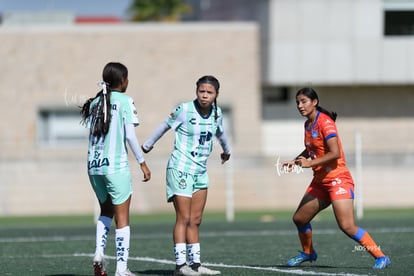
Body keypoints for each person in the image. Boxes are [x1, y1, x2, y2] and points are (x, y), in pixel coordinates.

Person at [282, 87, 390, 269]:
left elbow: (335, 153)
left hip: (338, 179)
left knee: (347, 225)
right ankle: (308, 252)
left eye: (303, 101)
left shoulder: (326, 123)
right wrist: (295, 160)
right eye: (297, 103)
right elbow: (311, 150)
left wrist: (310, 164)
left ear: (314, 102)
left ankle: (381, 257)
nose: (300, 106)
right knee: (299, 219)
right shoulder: (308, 124)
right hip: (320, 182)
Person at [142, 75, 231, 276]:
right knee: (183, 217)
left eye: (209, 92)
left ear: (216, 94)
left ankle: (196, 265)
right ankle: (180, 266)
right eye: (201, 91)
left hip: (200, 172)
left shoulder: (217, 113)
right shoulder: (184, 110)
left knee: (196, 219)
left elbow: (221, 133)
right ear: (196, 92)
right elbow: (164, 125)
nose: (205, 96)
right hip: (180, 168)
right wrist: (148, 144)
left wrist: (226, 151)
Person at [80, 62, 151, 276]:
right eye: (127, 78)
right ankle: (122, 269)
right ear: (123, 81)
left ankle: (99, 253)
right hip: (115, 166)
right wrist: (142, 162)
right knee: (122, 217)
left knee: (106, 211)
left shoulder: (94, 103)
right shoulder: (125, 101)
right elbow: (129, 136)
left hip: (94, 165)